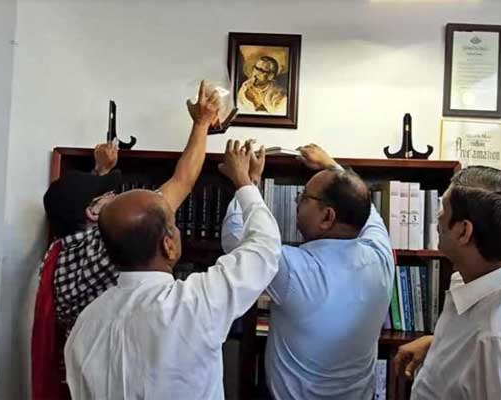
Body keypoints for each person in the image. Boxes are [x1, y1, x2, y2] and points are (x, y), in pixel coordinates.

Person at [32, 81, 220, 399]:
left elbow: (81, 212)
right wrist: (201, 123)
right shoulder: (102, 248)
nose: (117, 198)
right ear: (93, 212)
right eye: (109, 195)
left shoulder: (58, 252)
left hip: (93, 371)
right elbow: (182, 181)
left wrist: (100, 171)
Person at [63, 139, 281, 400]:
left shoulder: (84, 325)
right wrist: (245, 182)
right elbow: (264, 247)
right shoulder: (194, 303)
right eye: (174, 224)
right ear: (168, 245)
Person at [222, 143, 395, 399]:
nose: (296, 203)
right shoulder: (380, 254)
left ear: (327, 217)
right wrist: (329, 163)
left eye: (303, 197)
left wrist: (246, 181)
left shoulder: (295, 270)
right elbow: (366, 207)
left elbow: (235, 239)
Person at [392, 166, 501, 399]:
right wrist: (438, 346)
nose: (438, 218)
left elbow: (495, 356)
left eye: (443, 210)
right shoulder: (482, 282)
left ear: (464, 231)